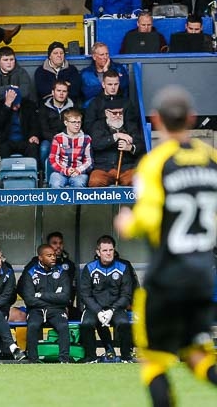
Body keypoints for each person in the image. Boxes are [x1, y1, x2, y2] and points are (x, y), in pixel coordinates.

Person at [114, 85, 217, 405]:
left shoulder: (156, 163)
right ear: (192, 118)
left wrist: (126, 223)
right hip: (202, 274)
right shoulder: (211, 160)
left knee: (154, 361)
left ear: (156, 121)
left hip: (167, 275)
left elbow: (146, 218)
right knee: (199, 356)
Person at [78, 235, 134, 363]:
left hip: (116, 308)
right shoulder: (90, 268)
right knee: (86, 324)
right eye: (104, 250)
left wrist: (112, 310)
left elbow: (126, 295)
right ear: (98, 252)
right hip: (94, 308)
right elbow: (85, 294)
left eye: (111, 250)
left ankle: (126, 357)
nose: (108, 253)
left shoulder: (123, 267)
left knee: (124, 323)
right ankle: (91, 358)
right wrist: (98, 311)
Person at [85, 71, 144, 187]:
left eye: (115, 84)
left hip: (126, 166)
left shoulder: (126, 104)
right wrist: (114, 137)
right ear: (103, 84)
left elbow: (138, 139)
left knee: (137, 182)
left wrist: (130, 147)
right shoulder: (95, 105)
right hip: (103, 165)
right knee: (95, 182)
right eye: (110, 84)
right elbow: (92, 137)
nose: (113, 87)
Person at [19, 244, 71, 363]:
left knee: (63, 327)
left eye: (54, 255)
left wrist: (41, 295)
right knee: (32, 326)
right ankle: (33, 360)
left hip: (57, 311)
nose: (53, 258)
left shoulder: (61, 271)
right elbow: (29, 299)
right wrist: (54, 298)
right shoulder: (30, 272)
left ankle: (64, 359)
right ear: (40, 258)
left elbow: (65, 297)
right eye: (49, 255)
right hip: (36, 310)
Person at [48, 108, 92, 188]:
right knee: (55, 183)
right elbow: (53, 160)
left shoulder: (86, 138)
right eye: (73, 122)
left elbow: (89, 161)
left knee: (79, 183)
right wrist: (65, 170)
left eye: (79, 122)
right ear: (66, 123)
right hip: (60, 172)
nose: (77, 125)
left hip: (79, 172)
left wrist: (78, 170)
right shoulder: (58, 138)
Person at [0, 86, 40, 160]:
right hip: (6, 140)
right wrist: (7, 106)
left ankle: (35, 170)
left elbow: (35, 124)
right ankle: (3, 171)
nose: (15, 107)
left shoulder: (28, 106)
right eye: (13, 104)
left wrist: (34, 135)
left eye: (17, 104)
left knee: (33, 147)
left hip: (25, 139)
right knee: (2, 148)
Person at [38, 80, 75, 168]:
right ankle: (44, 175)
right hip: (49, 138)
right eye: (58, 91)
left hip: (68, 138)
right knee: (44, 149)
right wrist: (57, 140)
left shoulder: (73, 107)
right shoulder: (44, 107)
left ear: (67, 93)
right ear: (52, 92)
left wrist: (65, 139)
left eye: (64, 91)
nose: (61, 94)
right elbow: (43, 129)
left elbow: (75, 126)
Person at [80, 42, 129, 108]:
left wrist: (107, 71)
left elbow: (123, 86)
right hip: (94, 109)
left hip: (116, 107)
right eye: (102, 54)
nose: (105, 57)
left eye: (107, 54)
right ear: (94, 57)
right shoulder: (86, 73)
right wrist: (105, 87)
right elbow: (87, 93)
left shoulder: (118, 68)